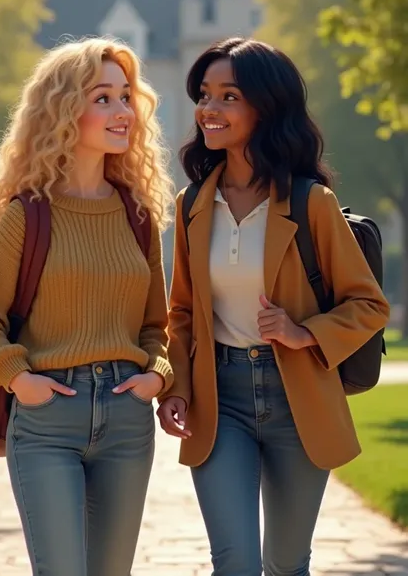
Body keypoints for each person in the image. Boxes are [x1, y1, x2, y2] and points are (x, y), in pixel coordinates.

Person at [157, 37, 389, 576]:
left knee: (287, 564)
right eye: (204, 95)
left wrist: (303, 332)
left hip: (298, 398)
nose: (208, 110)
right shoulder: (191, 205)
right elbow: (184, 314)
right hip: (223, 402)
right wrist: (177, 389)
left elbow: (368, 304)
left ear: (265, 106)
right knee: (234, 562)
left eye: (228, 96)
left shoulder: (312, 203)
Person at [0, 37, 174, 576]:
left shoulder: (138, 216)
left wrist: (157, 373)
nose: (122, 111)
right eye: (102, 97)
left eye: (126, 96)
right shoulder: (28, 215)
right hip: (47, 419)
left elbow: (156, 325)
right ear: (62, 110)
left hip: (128, 420)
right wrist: (18, 379)